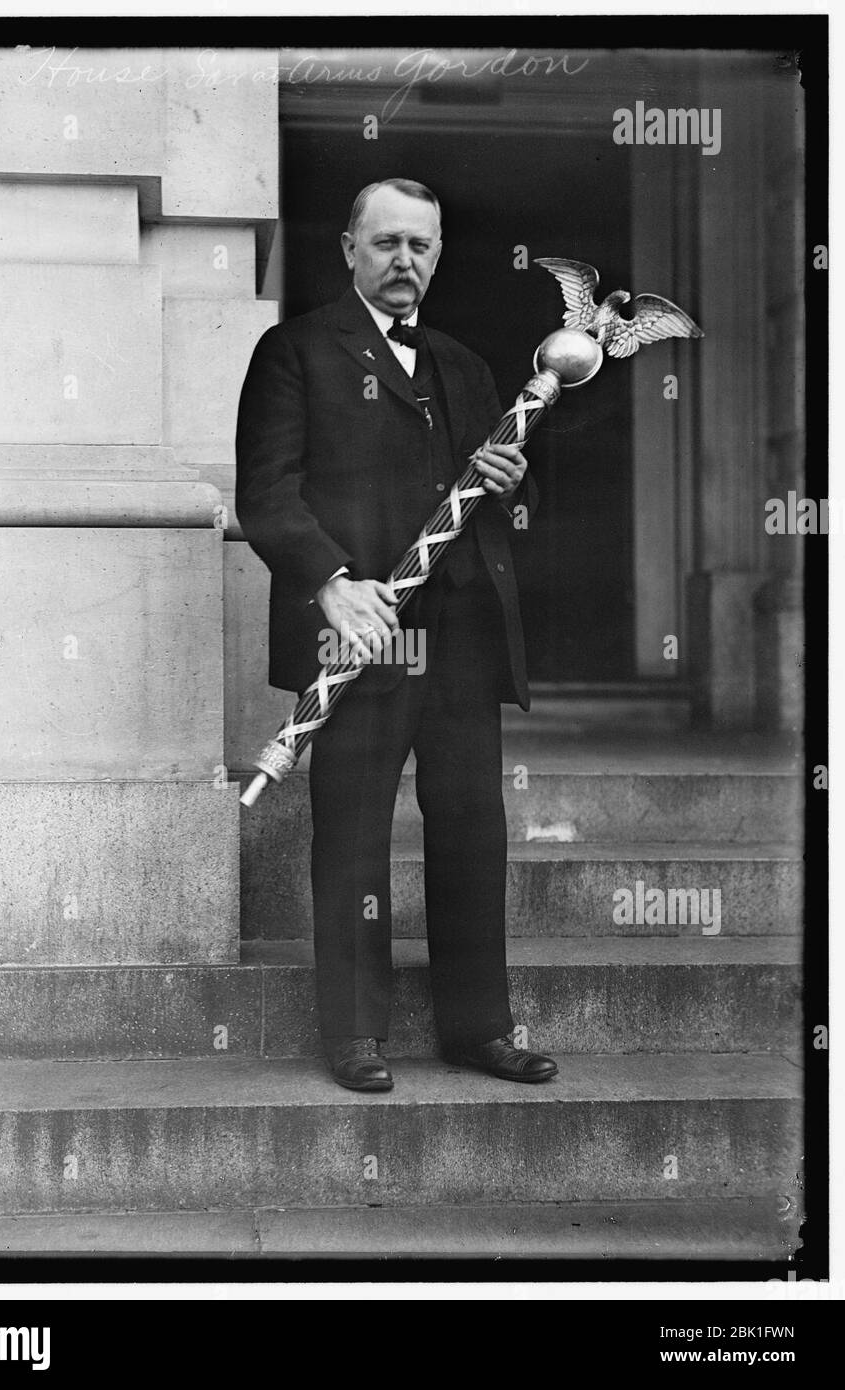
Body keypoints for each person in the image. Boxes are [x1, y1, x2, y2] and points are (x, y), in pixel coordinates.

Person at [236, 177, 558, 1091]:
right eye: (385, 244)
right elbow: (267, 495)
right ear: (348, 249)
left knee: (471, 826)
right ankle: (355, 1035)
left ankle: (479, 1028)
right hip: (362, 632)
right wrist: (331, 588)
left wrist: (511, 482)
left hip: (459, 631)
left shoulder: (463, 363)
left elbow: (509, 506)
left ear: (438, 253)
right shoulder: (292, 351)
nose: (404, 261)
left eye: (420, 245)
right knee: (353, 829)